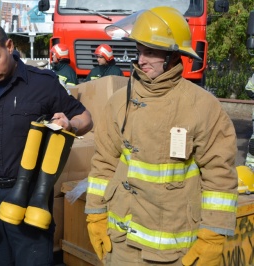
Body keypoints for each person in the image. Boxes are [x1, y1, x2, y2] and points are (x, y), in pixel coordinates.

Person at [85, 7, 238, 266]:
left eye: (151, 52)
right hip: (120, 244)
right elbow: (104, 163)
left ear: (171, 55)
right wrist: (96, 214)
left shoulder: (202, 106)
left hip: (173, 251)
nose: (141, 60)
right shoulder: (119, 102)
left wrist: (212, 235)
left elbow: (219, 177)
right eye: (140, 50)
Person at [0, 20, 93, 266]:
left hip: (32, 192)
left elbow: (85, 118)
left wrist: (71, 125)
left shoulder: (43, 83)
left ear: (9, 46)